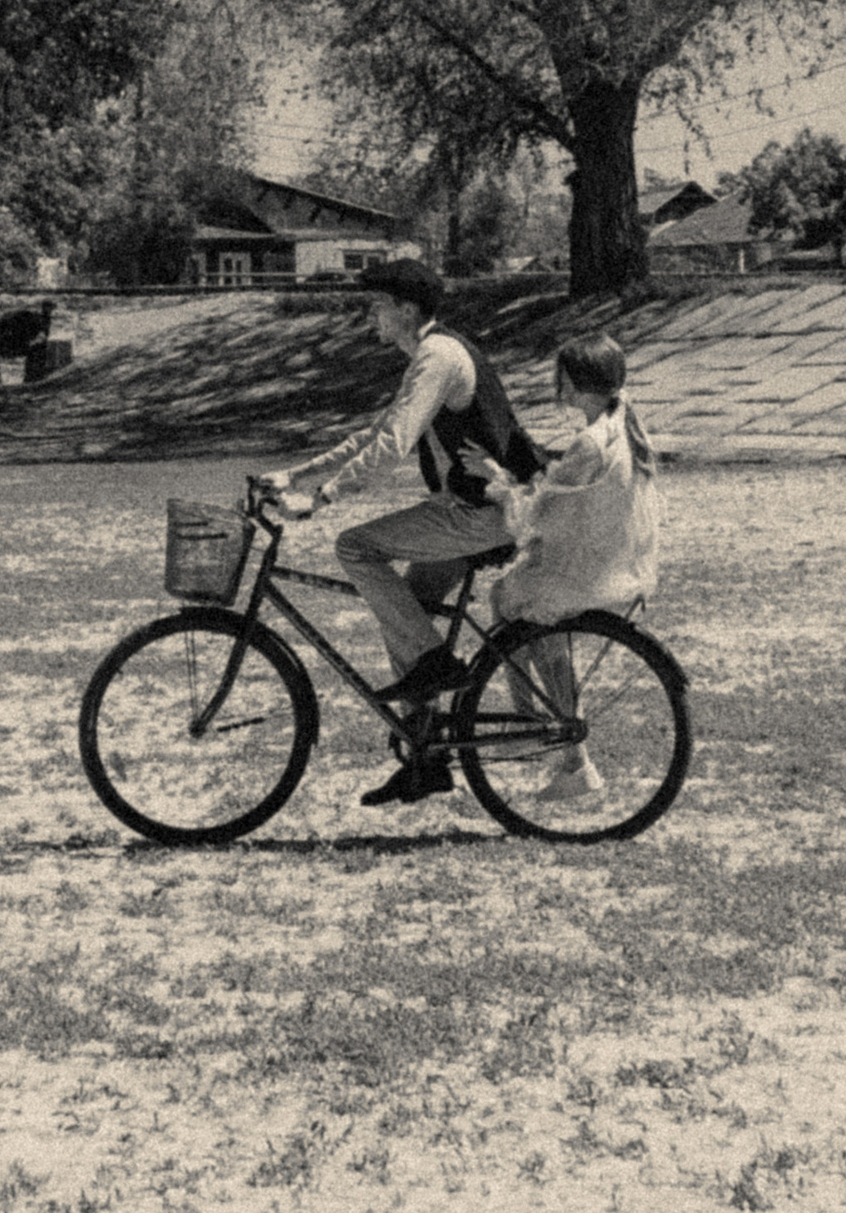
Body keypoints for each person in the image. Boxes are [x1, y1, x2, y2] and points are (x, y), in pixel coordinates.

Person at [257, 259, 543, 809]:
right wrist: (295, 475)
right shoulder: (428, 355)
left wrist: (322, 498)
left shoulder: (438, 357)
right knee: (404, 608)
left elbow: (391, 446)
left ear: (407, 310)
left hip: (482, 512)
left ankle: (436, 665)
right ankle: (425, 760)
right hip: (473, 507)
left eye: (379, 305)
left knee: (355, 547)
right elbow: (376, 433)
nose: (372, 315)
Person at [486, 334, 663, 808]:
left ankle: (527, 723)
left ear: (579, 383)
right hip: (614, 567)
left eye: (563, 379)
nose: (558, 387)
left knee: (504, 598)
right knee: (539, 629)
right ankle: (573, 761)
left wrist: (500, 489)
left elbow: (537, 515)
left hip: (584, 574)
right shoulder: (621, 426)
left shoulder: (589, 442)